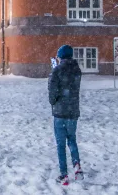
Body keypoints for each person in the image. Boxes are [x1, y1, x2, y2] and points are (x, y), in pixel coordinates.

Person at [48, 45, 83, 186]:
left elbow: (52, 94)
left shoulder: (57, 70)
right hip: (73, 111)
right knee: (72, 140)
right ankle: (77, 165)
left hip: (60, 112)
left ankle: (64, 175)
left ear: (60, 56)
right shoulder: (77, 70)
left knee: (61, 145)